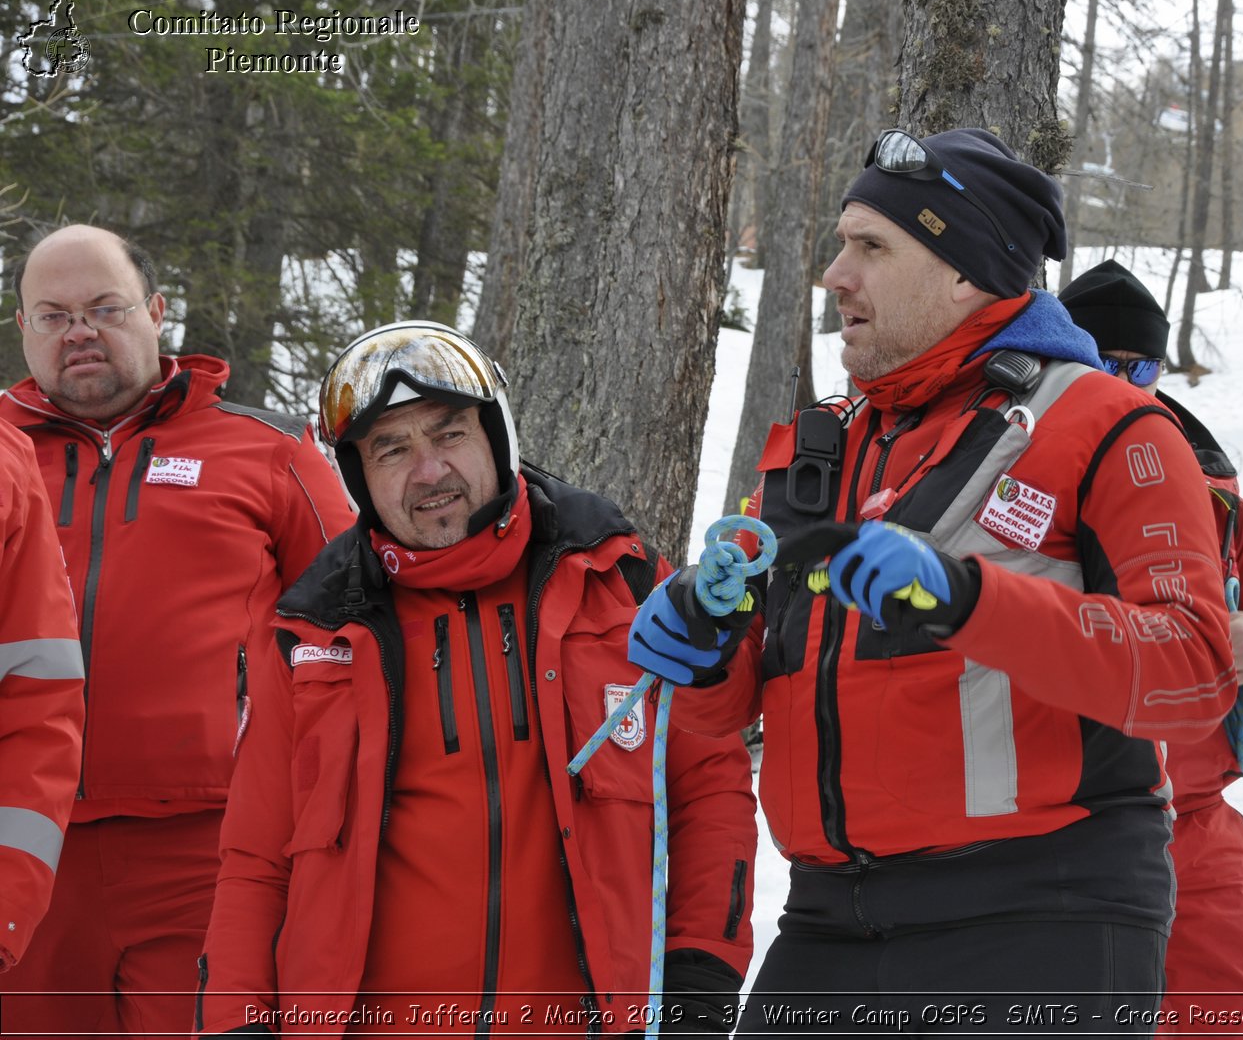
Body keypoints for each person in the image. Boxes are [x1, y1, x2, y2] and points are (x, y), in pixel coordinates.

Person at [630, 128, 1238, 1034]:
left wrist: (968, 600)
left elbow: (1193, 673)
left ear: (966, 274)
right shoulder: (818, 448)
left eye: (872, 248)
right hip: (831, 917)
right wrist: (700, 640)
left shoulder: (1111, 427)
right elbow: (739, 711)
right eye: (842, 244)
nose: (837, 275)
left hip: (1043, 910)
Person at [195, 321, 758, 1034]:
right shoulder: (310, 632)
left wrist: (699, 977)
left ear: (495, 434)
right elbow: (253, 861)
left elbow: (709, 785)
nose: (428, 471)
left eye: (448, 432)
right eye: (391, 449)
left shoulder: (618, 580)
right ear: (357, 476)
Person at [0, 224, 353, 1037]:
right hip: (25, 852)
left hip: (209, 851)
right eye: (52, 315)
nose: (79, 331)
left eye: (104, 307)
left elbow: (355, 619)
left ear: (157, 312)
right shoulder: (4, 454)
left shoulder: (263, 448)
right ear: (23, 331)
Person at [1059, 259, 1243, 1037]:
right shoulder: (1012, 470)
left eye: (1135, 365)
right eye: (1095, 361)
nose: (1117, 380)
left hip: (1191, 826)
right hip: (1052, 833)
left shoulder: (1207, 487)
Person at [0, 421, 84, 973]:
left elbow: (37, 702)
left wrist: (5, 908)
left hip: (190, 838)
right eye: (54, 322)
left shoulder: (5, 459)